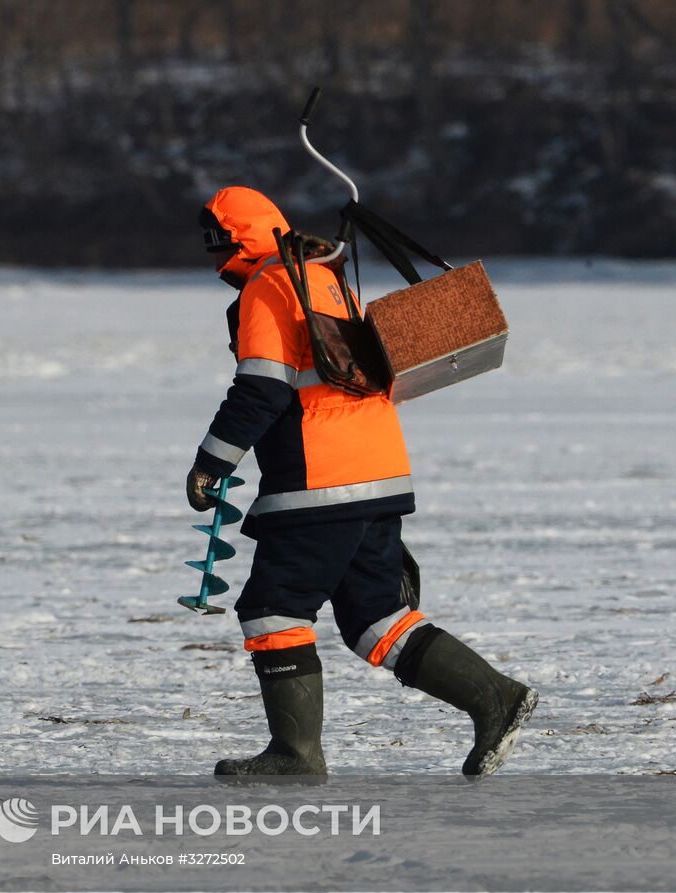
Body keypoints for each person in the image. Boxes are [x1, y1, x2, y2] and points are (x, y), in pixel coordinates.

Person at [187, 186, 537, 780]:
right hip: (376, 466)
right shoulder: (323, 274)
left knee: (274, 609)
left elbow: (263, 388)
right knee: (375, 616)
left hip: (319, 477)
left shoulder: (270, 285)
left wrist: (212, 461)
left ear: (236, 239)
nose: (214, 257)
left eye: (216, 242)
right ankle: (496, 699)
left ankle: (295, 755)